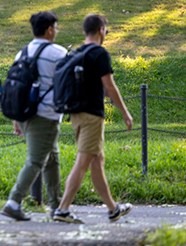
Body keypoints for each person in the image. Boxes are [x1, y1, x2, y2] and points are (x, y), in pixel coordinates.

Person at [53, 14, 134, 224]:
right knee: (83, 162)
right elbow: (109, 86)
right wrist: (125, 113)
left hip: (77, 114)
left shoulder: (78, 52)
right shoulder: (99, 53)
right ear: (101, 30)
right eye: (105, 31)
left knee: (97, 161)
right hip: (92, 115)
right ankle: (62, 209)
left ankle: (113, 208)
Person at [0, 11, 67, 221]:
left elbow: (16, 88)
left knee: (52, 159)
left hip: (26, 115)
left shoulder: (23, 52)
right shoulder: (59, 53)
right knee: (36, 161)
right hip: (45, 116)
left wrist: (16, 119)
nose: (56, 31)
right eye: (55, 27)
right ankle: (13, 201)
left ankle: (56, 206)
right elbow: (69, 85)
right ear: (49, 29)